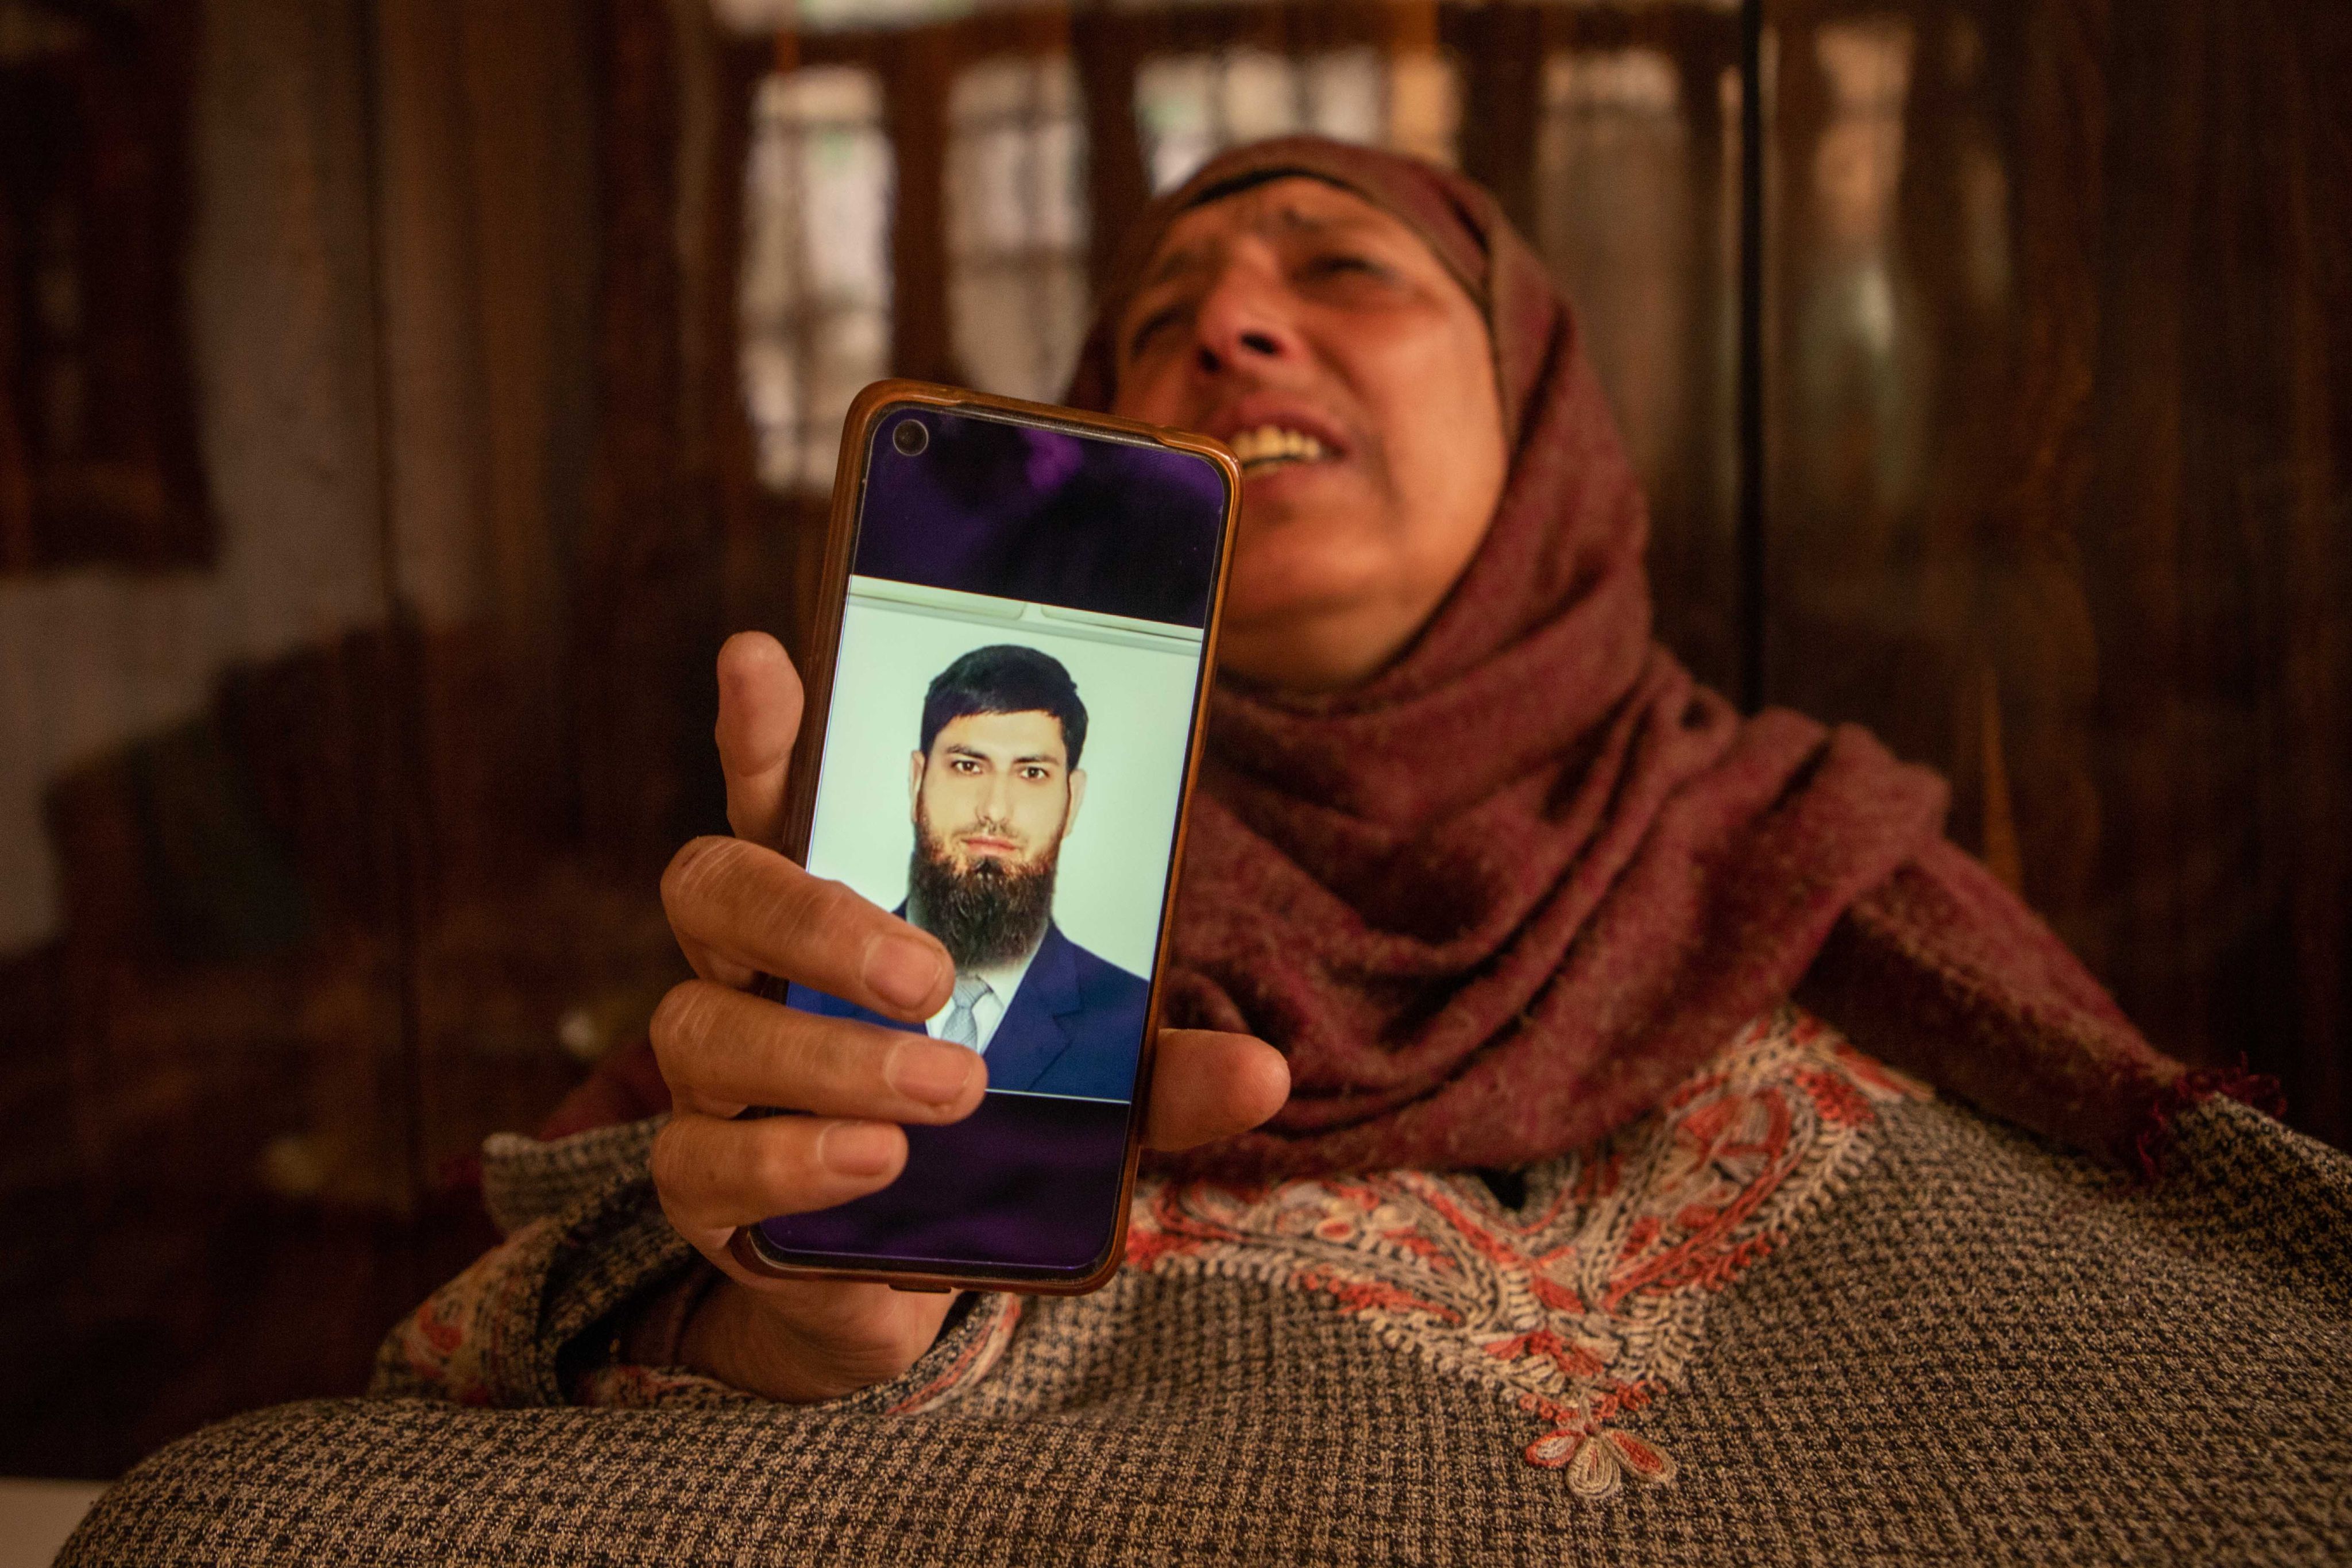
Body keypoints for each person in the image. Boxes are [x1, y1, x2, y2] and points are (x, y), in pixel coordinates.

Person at [65, 137, 2349, 1566]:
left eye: (1335, 267)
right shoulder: (950, 839)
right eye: (1152, 319)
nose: (1225, 320)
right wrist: (795, 1299)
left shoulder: (1816, 843)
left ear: (1546, 409)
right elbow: (617, 1322)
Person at [788, 643, 1150, 1099]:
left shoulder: (1130, 1022)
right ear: (917, 781)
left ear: (1072, 801)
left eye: (1032, 773)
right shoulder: (807, 991)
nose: (994, 810)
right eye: (967, 766)